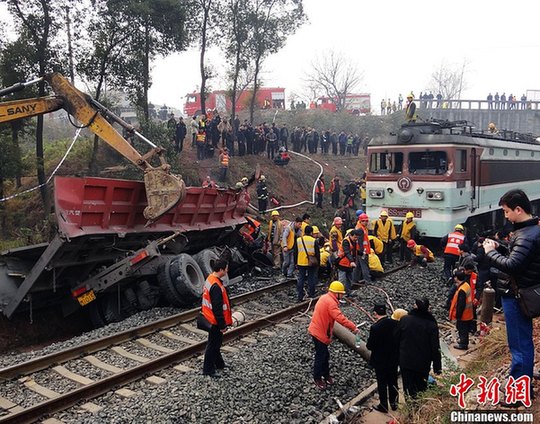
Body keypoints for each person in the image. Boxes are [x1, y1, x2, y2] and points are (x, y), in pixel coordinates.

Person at [483, 189, 540, 397]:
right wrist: (503, 248)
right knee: (521, 342)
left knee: (519, 344)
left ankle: (520, 391)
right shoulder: (531, 231)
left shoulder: (526, 235)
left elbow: (513, 265)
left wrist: (491, 252)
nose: (505, 216)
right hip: (521, 292)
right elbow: (520, 257)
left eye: (507, 211)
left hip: (516, 295)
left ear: (518, 209)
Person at [308, 281, 359, 390]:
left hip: (317, 330)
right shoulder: (331, 303)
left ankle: (326, 375)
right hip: (320, 333)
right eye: (341, 293)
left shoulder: (325, 297)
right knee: (321, 356)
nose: (343, 295)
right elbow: (340, 318)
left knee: (325, 355)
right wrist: (353, 327)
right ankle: (318, 378)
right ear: (337, 293)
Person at [396, 297, 442, 399]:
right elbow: (435, 347)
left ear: (415, 306)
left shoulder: (405, 320)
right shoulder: (431, 324)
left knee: (408, 389)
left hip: (406, 361)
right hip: (423, 363)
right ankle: (419, 409)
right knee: (421, 389)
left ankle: (410, 411)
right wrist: (437, 367)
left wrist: (395, 358)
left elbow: (397, 339)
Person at [201, 259, 232, 377]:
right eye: (226, 268)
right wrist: (222, 325)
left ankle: (219, 364)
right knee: (213, 345)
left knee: (215, 343)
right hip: (214, 320)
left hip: (209, 317)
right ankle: (208, 370)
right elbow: (218, 308)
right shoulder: (216, 286)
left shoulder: (210, 279)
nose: (227, 270)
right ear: (221, 270)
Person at [367, 304, 399, 413]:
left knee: (382, 383)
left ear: (375, 313)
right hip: (393, 359)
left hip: (380, 360)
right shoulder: (395, 323)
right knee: (393, 381)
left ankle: (384, 405)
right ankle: (394, 403)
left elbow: (370, 346)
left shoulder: (375, 327)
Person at [449, 270, 474, 351]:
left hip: (463, 314)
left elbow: (461, 305)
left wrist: (458, 316)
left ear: (457, 278)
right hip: (469, 313)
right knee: (465, 329)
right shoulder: (466, 285)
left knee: (462, 329)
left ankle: (463, 344)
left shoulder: (462, 290)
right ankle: (464, 341)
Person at [336, 229, 362, 299]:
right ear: (350, 235)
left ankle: (348, 292)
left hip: (349, 264)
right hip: (343, 263)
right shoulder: (346, 241)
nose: (356, 239)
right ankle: (339, 295)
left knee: (349, 279)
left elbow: (354, 251)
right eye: (355, 237)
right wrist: (352, 261)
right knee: (342, 280)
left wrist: (362, 253)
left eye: (357, 237)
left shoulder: (354, 242)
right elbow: (347, 252)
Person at [296, 225, 320, 301]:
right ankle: (311, 294)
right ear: (311, 232)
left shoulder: (298, 240)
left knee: (301, 278)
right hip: (311, 262)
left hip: (301, 262)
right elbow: (317, 253)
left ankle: (300, 295)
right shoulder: (313, 240)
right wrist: (318, 263)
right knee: (311, 278)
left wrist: (295, 262)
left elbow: (295, 252)